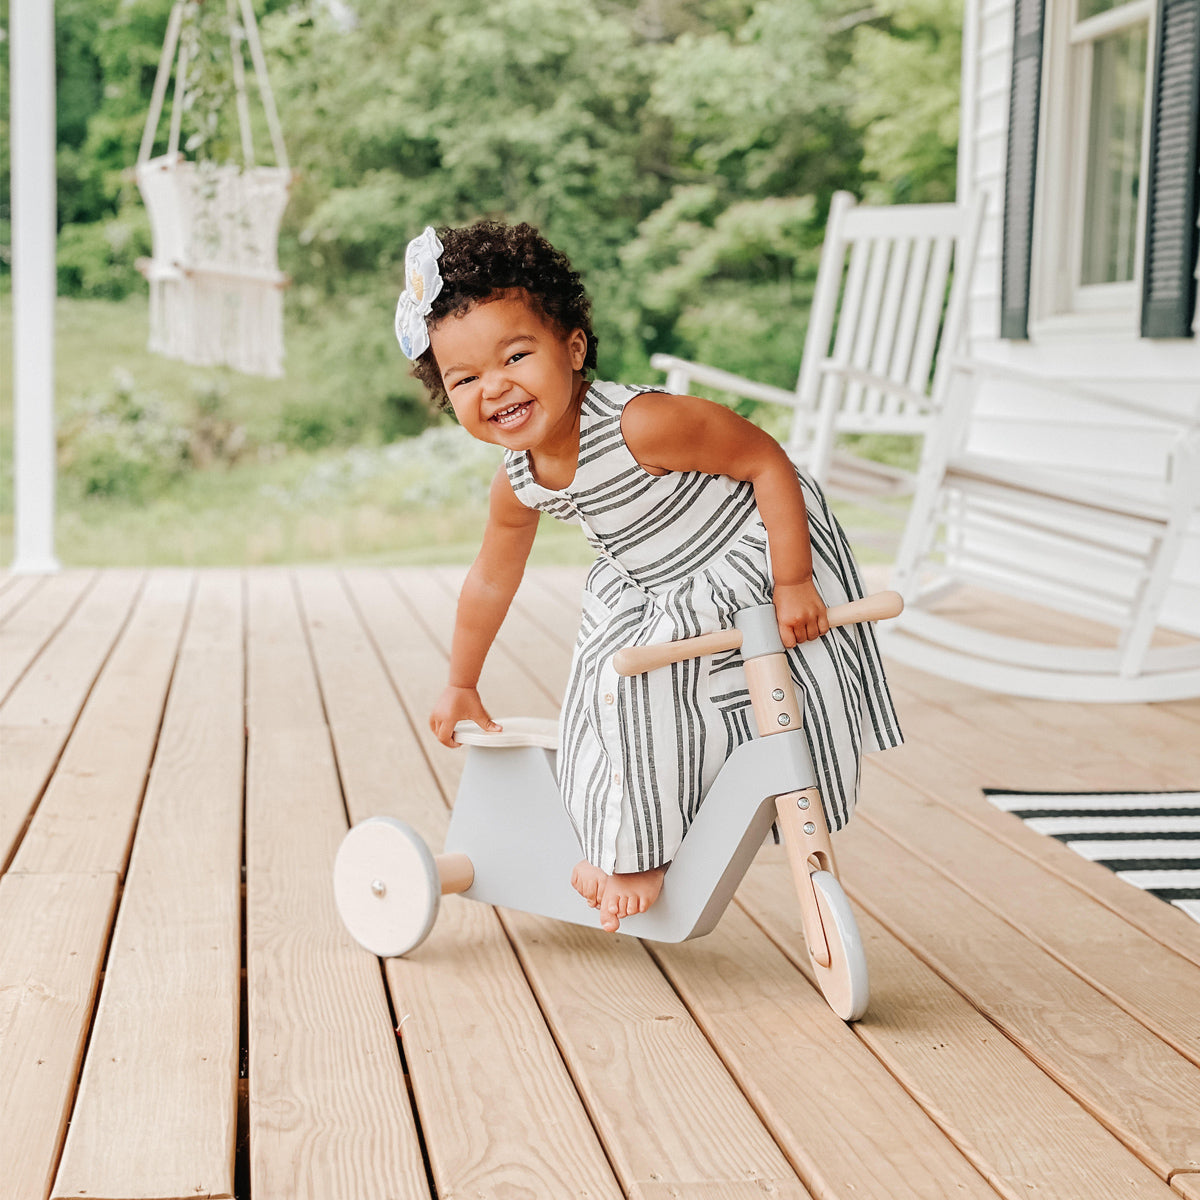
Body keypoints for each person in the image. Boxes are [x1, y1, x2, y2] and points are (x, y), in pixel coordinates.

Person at [402, 220, 902, 933]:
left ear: (571, 348)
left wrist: (792, 579)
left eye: (516, 355)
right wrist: (461, 681)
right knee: (595, 693)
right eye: (466, 377)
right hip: (653, 578)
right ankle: (613, 836)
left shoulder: (641, 424)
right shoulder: (517, 481)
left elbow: (768, 462)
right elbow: (489, 581)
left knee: (650, 686)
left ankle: (641, 856)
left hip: (751, 546)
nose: (496, 386)